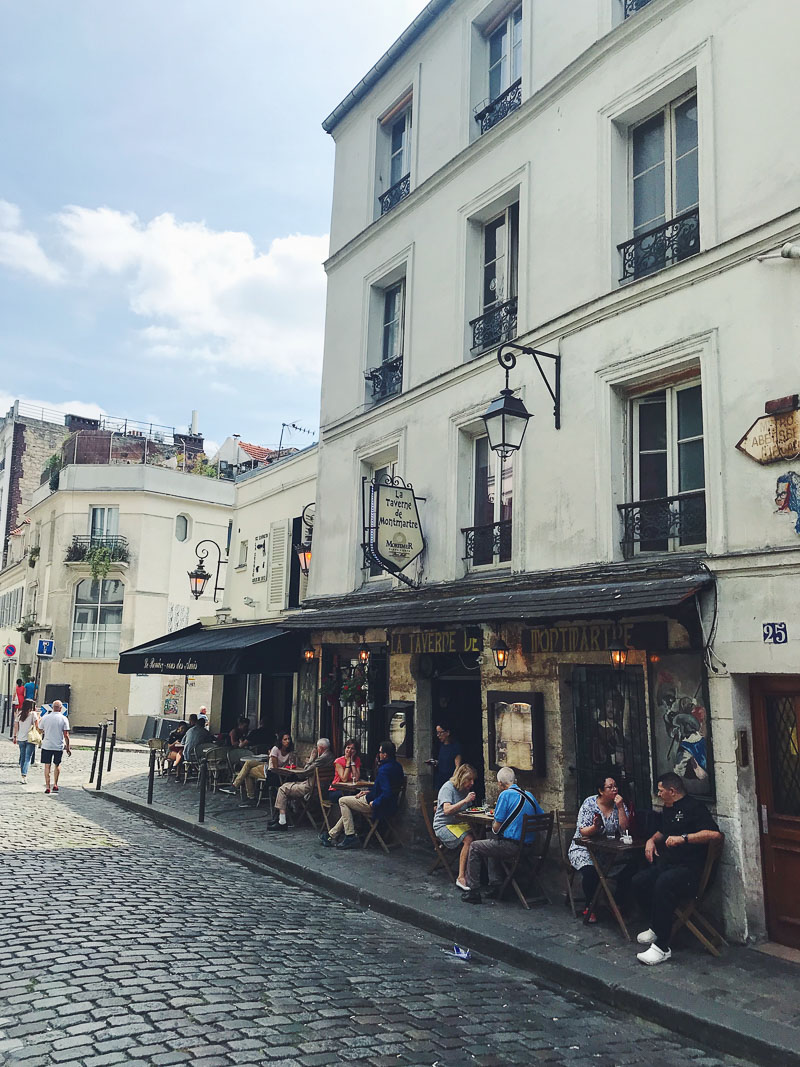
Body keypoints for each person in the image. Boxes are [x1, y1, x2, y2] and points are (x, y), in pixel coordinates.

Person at [633, 771, 722, 965]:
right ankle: (657, 926)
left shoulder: (694, 808)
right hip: (671, 865)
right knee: (640, 881)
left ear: (672, 791)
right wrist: (651, 840)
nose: (658, 795)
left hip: (692, 871)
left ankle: (662, 948)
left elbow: (715, 835)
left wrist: (685, 838)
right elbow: (664, 831)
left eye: (660, 791)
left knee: (664, 883)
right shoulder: (669, 808)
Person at [461, 767, 543, 904]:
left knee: (475, 846)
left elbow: (496, 826)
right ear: (514, 780)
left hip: (513, 847)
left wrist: (496, 823)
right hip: (529, 846)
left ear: (500, 783)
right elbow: (540, 816)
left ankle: (474, 891)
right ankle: (496, 885)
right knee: (492, 843)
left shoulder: (505, 795)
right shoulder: (529, 795)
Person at [568, 776, 632, 923]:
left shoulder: (618, 805)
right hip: (583, 848)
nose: (615, 789)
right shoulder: (589, 804)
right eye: (610, 787)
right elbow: (583, 831)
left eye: (615, 786)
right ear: (601, 791)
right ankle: (589, 906)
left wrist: (621, 807)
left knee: (629, 865)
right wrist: (595, 827)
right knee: (590, 871)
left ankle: (616, 902)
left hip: (606, 850)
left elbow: (625, 829)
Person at [321, 740, 405, 849]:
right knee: (350, 805)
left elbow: (386, 791)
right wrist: (369, 791)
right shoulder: (398, 766)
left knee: (343, 801)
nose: (378, 755)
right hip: (391, 804)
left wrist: (375, 802)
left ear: (385, 755)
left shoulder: (384, 770)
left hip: (378, 805)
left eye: (380, 752)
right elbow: (385, 788)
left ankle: (350, 836)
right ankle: (331, 834)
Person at [267, 738, 334, 831]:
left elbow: (305, 772)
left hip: (311, 787)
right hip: (322, 787)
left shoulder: (321, 759)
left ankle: (282, 822)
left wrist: (311, 759)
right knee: (287, 785)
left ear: (321, 748)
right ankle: (280, 817)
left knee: (282, 788)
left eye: (317, 748)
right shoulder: (331, 756)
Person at [433, 762, 478, 891]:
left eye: (473, 780)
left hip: (458, 824)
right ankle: (461, 877)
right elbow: (446, 810)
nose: (471, 783)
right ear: (461, 777)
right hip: (444, 825)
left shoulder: (465, 789)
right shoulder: (448, 788)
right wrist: (464, 801)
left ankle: (475, 874)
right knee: (469, 840)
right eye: (469, 779)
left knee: (479, 835)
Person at [232, 729, 296, 803]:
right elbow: (274, 765)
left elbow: (289, 764)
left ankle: (250, 797)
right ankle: (236, 786)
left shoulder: (290, 751)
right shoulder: (276, 749)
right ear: (281, 741)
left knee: (247, 772)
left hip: (273, 769)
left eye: (289, 739)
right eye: (285, 739)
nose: (288, 741)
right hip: (271, 767)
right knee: (248, 763)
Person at [39, 700, 71, 794]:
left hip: (47, 745)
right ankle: (55, 784)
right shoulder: (64, 718)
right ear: (61, 708)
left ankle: (48, 786)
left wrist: (45, 731)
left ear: (52, 707)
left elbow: (40, 729)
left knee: (47, 766)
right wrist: (68, 747)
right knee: (57, 765)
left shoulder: (45, 717)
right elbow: (66, 734)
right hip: (58, 745)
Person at [12, 698, 39, 784]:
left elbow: (16, 726)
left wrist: (15, 736)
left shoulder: (19, 714)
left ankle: (22, 775)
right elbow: (37, 726)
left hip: (21, 738)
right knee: (28, 758)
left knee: (22, 758)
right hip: (30, 738)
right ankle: (24, 775)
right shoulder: (33, 714)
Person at [430, 722, 463, 791]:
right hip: (440, 778)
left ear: (447, 732)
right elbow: (443, 762)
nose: (438, 735)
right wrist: (435, 762)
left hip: (450, 778)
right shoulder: (440, 746)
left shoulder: (455, 747)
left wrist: (452, 781)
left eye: (440, 733)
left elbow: (457, 766)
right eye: (437, 733)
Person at [328, 738, 362, 803]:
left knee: (361, 794)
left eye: (352, 748)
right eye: (348, 747)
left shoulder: (357, 760)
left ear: (356, 751)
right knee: (350, 796)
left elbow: (356, 778)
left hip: (349, 789)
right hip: (336, 790)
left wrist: (352, 762)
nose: (349, 750)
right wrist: (348, 763)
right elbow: (344, 779)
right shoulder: (338, 761)